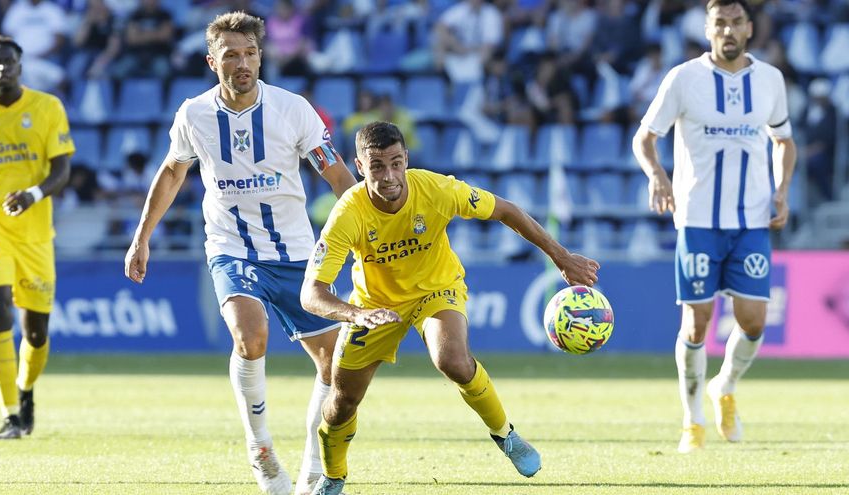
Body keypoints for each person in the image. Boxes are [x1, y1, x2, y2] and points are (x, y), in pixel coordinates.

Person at [123, 12, 357, 495]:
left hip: (295, 251)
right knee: (251, 337)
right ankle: (260, 447)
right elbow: (171, 173)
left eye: (250, 52)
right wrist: (141, 236)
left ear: (261, 56)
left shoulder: (294, 109)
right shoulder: (194, 114)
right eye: (231, 54)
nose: (242, 62)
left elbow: (335, 174)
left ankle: (314, 465)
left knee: (334, 365)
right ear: (213, 61)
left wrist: (369, 231)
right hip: (231, 249)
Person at [300, 121, 601, 494]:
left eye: (396, 162)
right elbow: (311, 293)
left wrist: (561, 256)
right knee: (343, 401)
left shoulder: (436, 189)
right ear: (360, 168)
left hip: (436, 289)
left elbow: (506, 210)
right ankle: (334, 475)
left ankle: (505, 434)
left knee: (453, 360)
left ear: (406, 159)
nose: (389, 175)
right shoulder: (348, 213)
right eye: (377, 166)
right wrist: (355, 313)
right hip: (374, 306)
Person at [631, 0, 796, 454]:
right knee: (697, 324)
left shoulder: (770, 80)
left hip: (751, 219)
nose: (727, 29)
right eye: (719, 22)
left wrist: (782, 190)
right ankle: (692, 422)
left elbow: (784, 140)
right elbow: (644, 138)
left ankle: (724, 385)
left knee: (754, 321)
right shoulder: (684, 78)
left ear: (748, 29)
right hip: (698, 219)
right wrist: (658, 176)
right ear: (708, 29)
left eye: (735, 22)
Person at [0, 34, 74, 441]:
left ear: (20, 65)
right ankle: (10, 414)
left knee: (36, 333)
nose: (2, 68)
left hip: (35, 231)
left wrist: (32, 195)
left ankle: (26, 392)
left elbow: (61, 169)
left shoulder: (47, 108)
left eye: (9, 61)